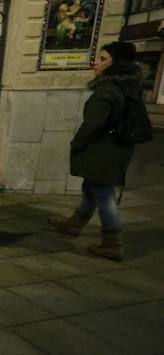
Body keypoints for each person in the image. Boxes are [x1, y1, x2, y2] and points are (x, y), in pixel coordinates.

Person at [48, 42, 145, 261]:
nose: (96, 63)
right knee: (92, 188)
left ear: (116, 64)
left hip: (103, 149)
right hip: (117, 148)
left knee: (104, 194)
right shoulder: (129, 86)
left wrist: (77, 144)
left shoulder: (107, 90)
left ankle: (112, 242)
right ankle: (75, 223)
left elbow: (92, 124)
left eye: (103, 59)